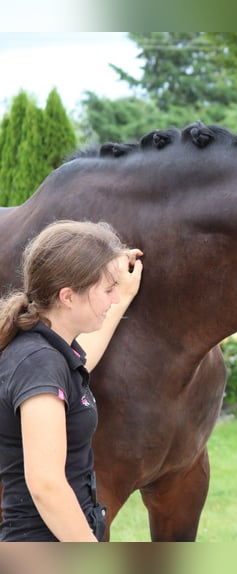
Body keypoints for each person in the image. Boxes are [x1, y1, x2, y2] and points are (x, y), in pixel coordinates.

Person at [0, 220, 143, 542]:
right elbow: (46, 484)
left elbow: (81, 362)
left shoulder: (51, 351)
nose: (113, 298)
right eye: (108, 290)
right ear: (68, 296)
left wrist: (121, 297)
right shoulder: (39, 364)